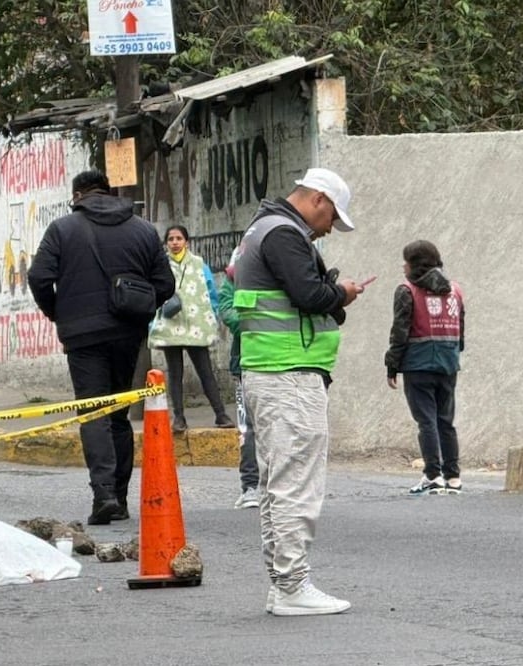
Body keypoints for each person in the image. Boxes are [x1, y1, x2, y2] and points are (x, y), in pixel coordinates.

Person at [232, 167, 369, 616]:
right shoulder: (284, 234)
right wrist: (341, 293)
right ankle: (292, 584)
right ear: (319, 200)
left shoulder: (261, 228)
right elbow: (309, 295)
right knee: (295, 484)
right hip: (288, 373)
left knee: (278, 483)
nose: (330, 228)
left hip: (271, 371)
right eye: (333, 218)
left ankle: (282, 582)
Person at [28, 170, 175, 526]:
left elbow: (38, 277)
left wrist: (57, 312)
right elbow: (165, 284)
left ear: (78, 194)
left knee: (94, 410)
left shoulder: (62, 229)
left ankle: (104, 494)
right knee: (118, 412)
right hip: (128, 334)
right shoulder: (142, 229)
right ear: (108, 192)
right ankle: (120, 499)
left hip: (82, 335)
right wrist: (139, 308)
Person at [384, 240, 465, 496]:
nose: (403, 266)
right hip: (448, 363)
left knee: (426, 421)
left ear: (415, 265)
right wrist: (454, 353)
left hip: (418, 364)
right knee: (446, 421)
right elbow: (461, 327)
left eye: (406, 261)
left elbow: (400, 331)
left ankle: (433, 475)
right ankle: (453, 477)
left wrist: (392, 364)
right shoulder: (455, 290)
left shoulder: (406, 290)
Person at [148, 225, 235, 433]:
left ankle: (221, 414)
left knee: (206, 371)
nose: (175, 242)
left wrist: (211, 315)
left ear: (187, 242)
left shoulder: (199, 264)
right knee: (175, 373)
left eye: (179, 238)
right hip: (171, 325)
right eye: (171, 239)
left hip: (196, 325)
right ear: (166, 243)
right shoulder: (161, 265)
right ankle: (179, 418)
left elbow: (210, 292)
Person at [217, 249, 259, 509]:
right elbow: (227, 309)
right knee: (248, 429)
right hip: (244, 362)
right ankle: (251, 486)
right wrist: (253, 324)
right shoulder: (234, 277)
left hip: (279, 363)